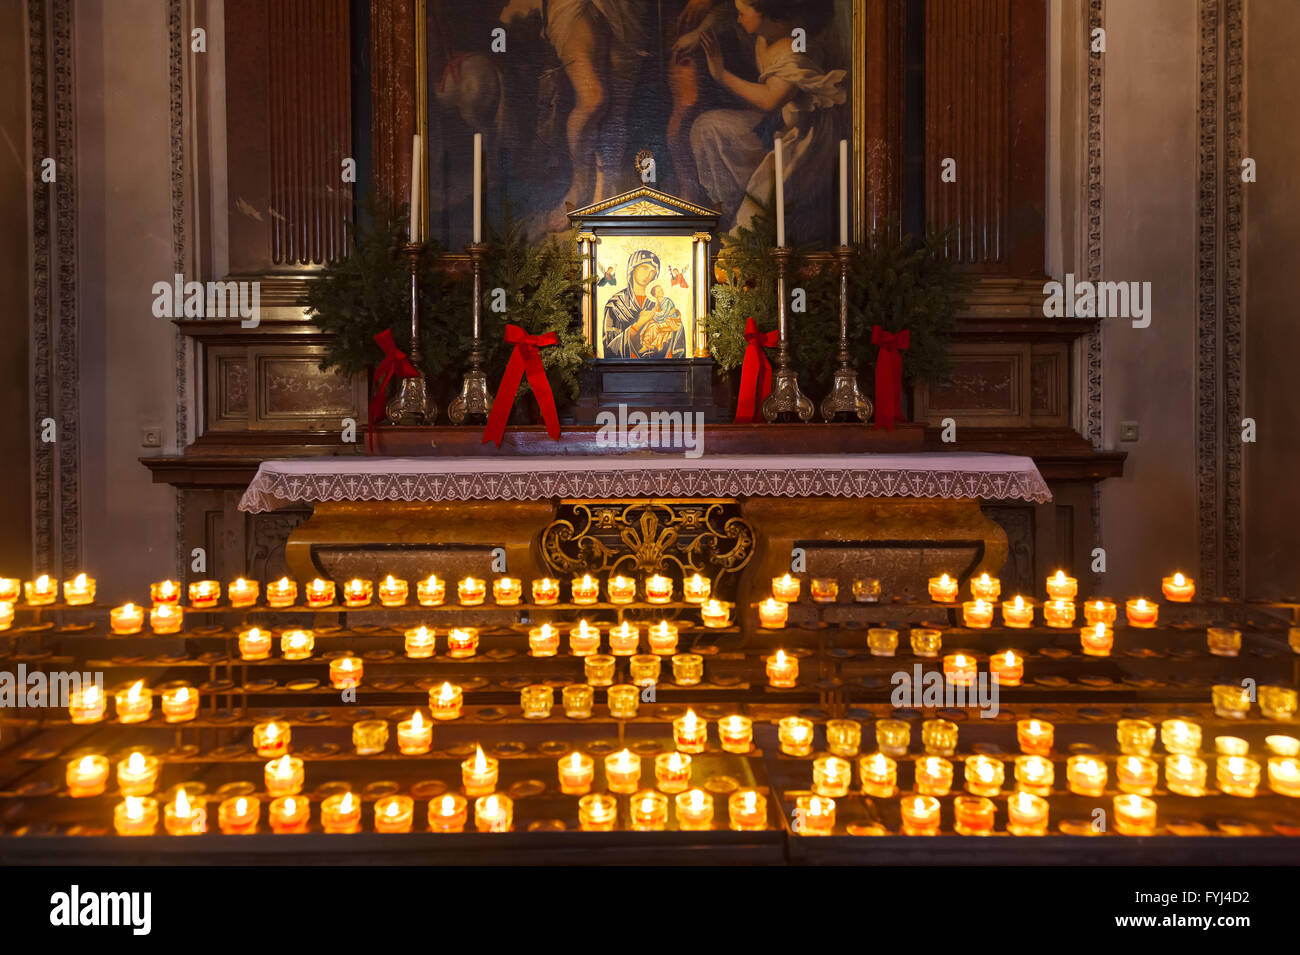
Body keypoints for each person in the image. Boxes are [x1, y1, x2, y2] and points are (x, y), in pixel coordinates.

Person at [690, 0, 844, 238]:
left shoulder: (796, 47)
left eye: (743, 13)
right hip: (775, 124)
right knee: (707, 127)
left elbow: (770, 99)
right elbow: (725, 16)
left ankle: (739, 232)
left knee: (760, 213)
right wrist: (697, 34)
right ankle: (726, 209)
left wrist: (720, 74)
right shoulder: (765, 34)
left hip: (802, 139)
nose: (738, 18)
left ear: (766, 13)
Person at [602, 250, 686, 359]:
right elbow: (610, 348)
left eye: (653, 271)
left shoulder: (660, 302)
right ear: (633, 268)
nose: (648, 275)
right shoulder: (616, 304)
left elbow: (677, 339)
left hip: (663, 368)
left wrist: (673, 323)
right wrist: (639, 324)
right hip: (624, 370)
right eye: (645, 268)